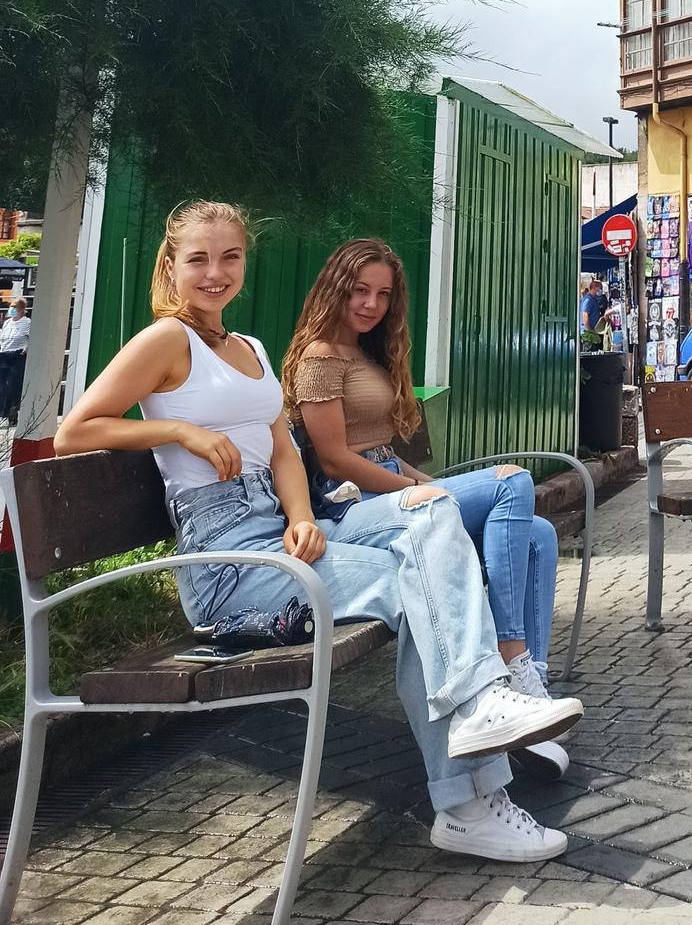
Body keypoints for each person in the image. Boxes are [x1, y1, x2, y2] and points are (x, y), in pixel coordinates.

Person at [53, 201, 579, 864]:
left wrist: (301, 515)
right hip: (228, 564)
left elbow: (279, 451)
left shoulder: (248, 349)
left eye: (230, 257)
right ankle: (472, 786)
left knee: (430, 517)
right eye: (198, 259)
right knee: (423, 582)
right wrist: (178, 430)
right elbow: (77, 430)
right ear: (172, 265)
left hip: (278, 534)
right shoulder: (166, 340)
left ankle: (476, 749)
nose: (216, 273)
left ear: (245, 259)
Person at [280, 239, 566, 776]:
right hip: (355, 508)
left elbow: (384, 453)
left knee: (539, 535)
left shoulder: (367, 353)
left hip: (391, 487)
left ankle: (532, 686)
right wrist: (422, 492)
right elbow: (336, 460)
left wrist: (433, 483)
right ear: (335, 287)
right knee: (514, 482)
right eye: (360, 290)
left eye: (382, 294)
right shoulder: (319, 357)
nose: (370, 304)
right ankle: (510, 663)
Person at [0, 295, 29, 425]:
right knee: (2, 385)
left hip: (17, 355)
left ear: (22, 309)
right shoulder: (7, 322)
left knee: (13, 385)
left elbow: (32, 336)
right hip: (4, 354)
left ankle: (12, 412)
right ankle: (3, 413)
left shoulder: (27, 322)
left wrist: (26, 348)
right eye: (11, 307)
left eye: (14, 307)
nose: (11, 309)